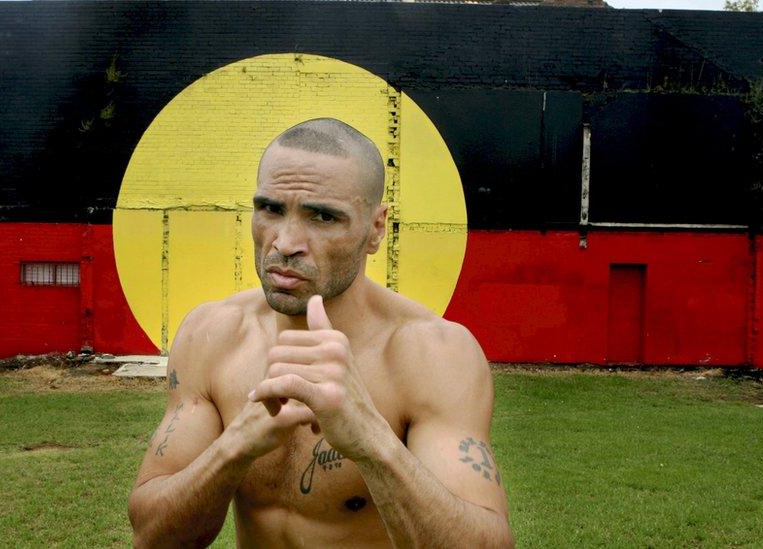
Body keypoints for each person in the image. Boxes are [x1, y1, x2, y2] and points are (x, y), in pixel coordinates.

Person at [127, 118, 512, 548]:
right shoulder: (211, 335)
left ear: (376, 229)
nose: (285, 242)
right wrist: (234, 447)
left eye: (323, 216)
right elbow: (152, 536)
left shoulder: (434, 355)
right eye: (271, 209)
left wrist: (370, 440)